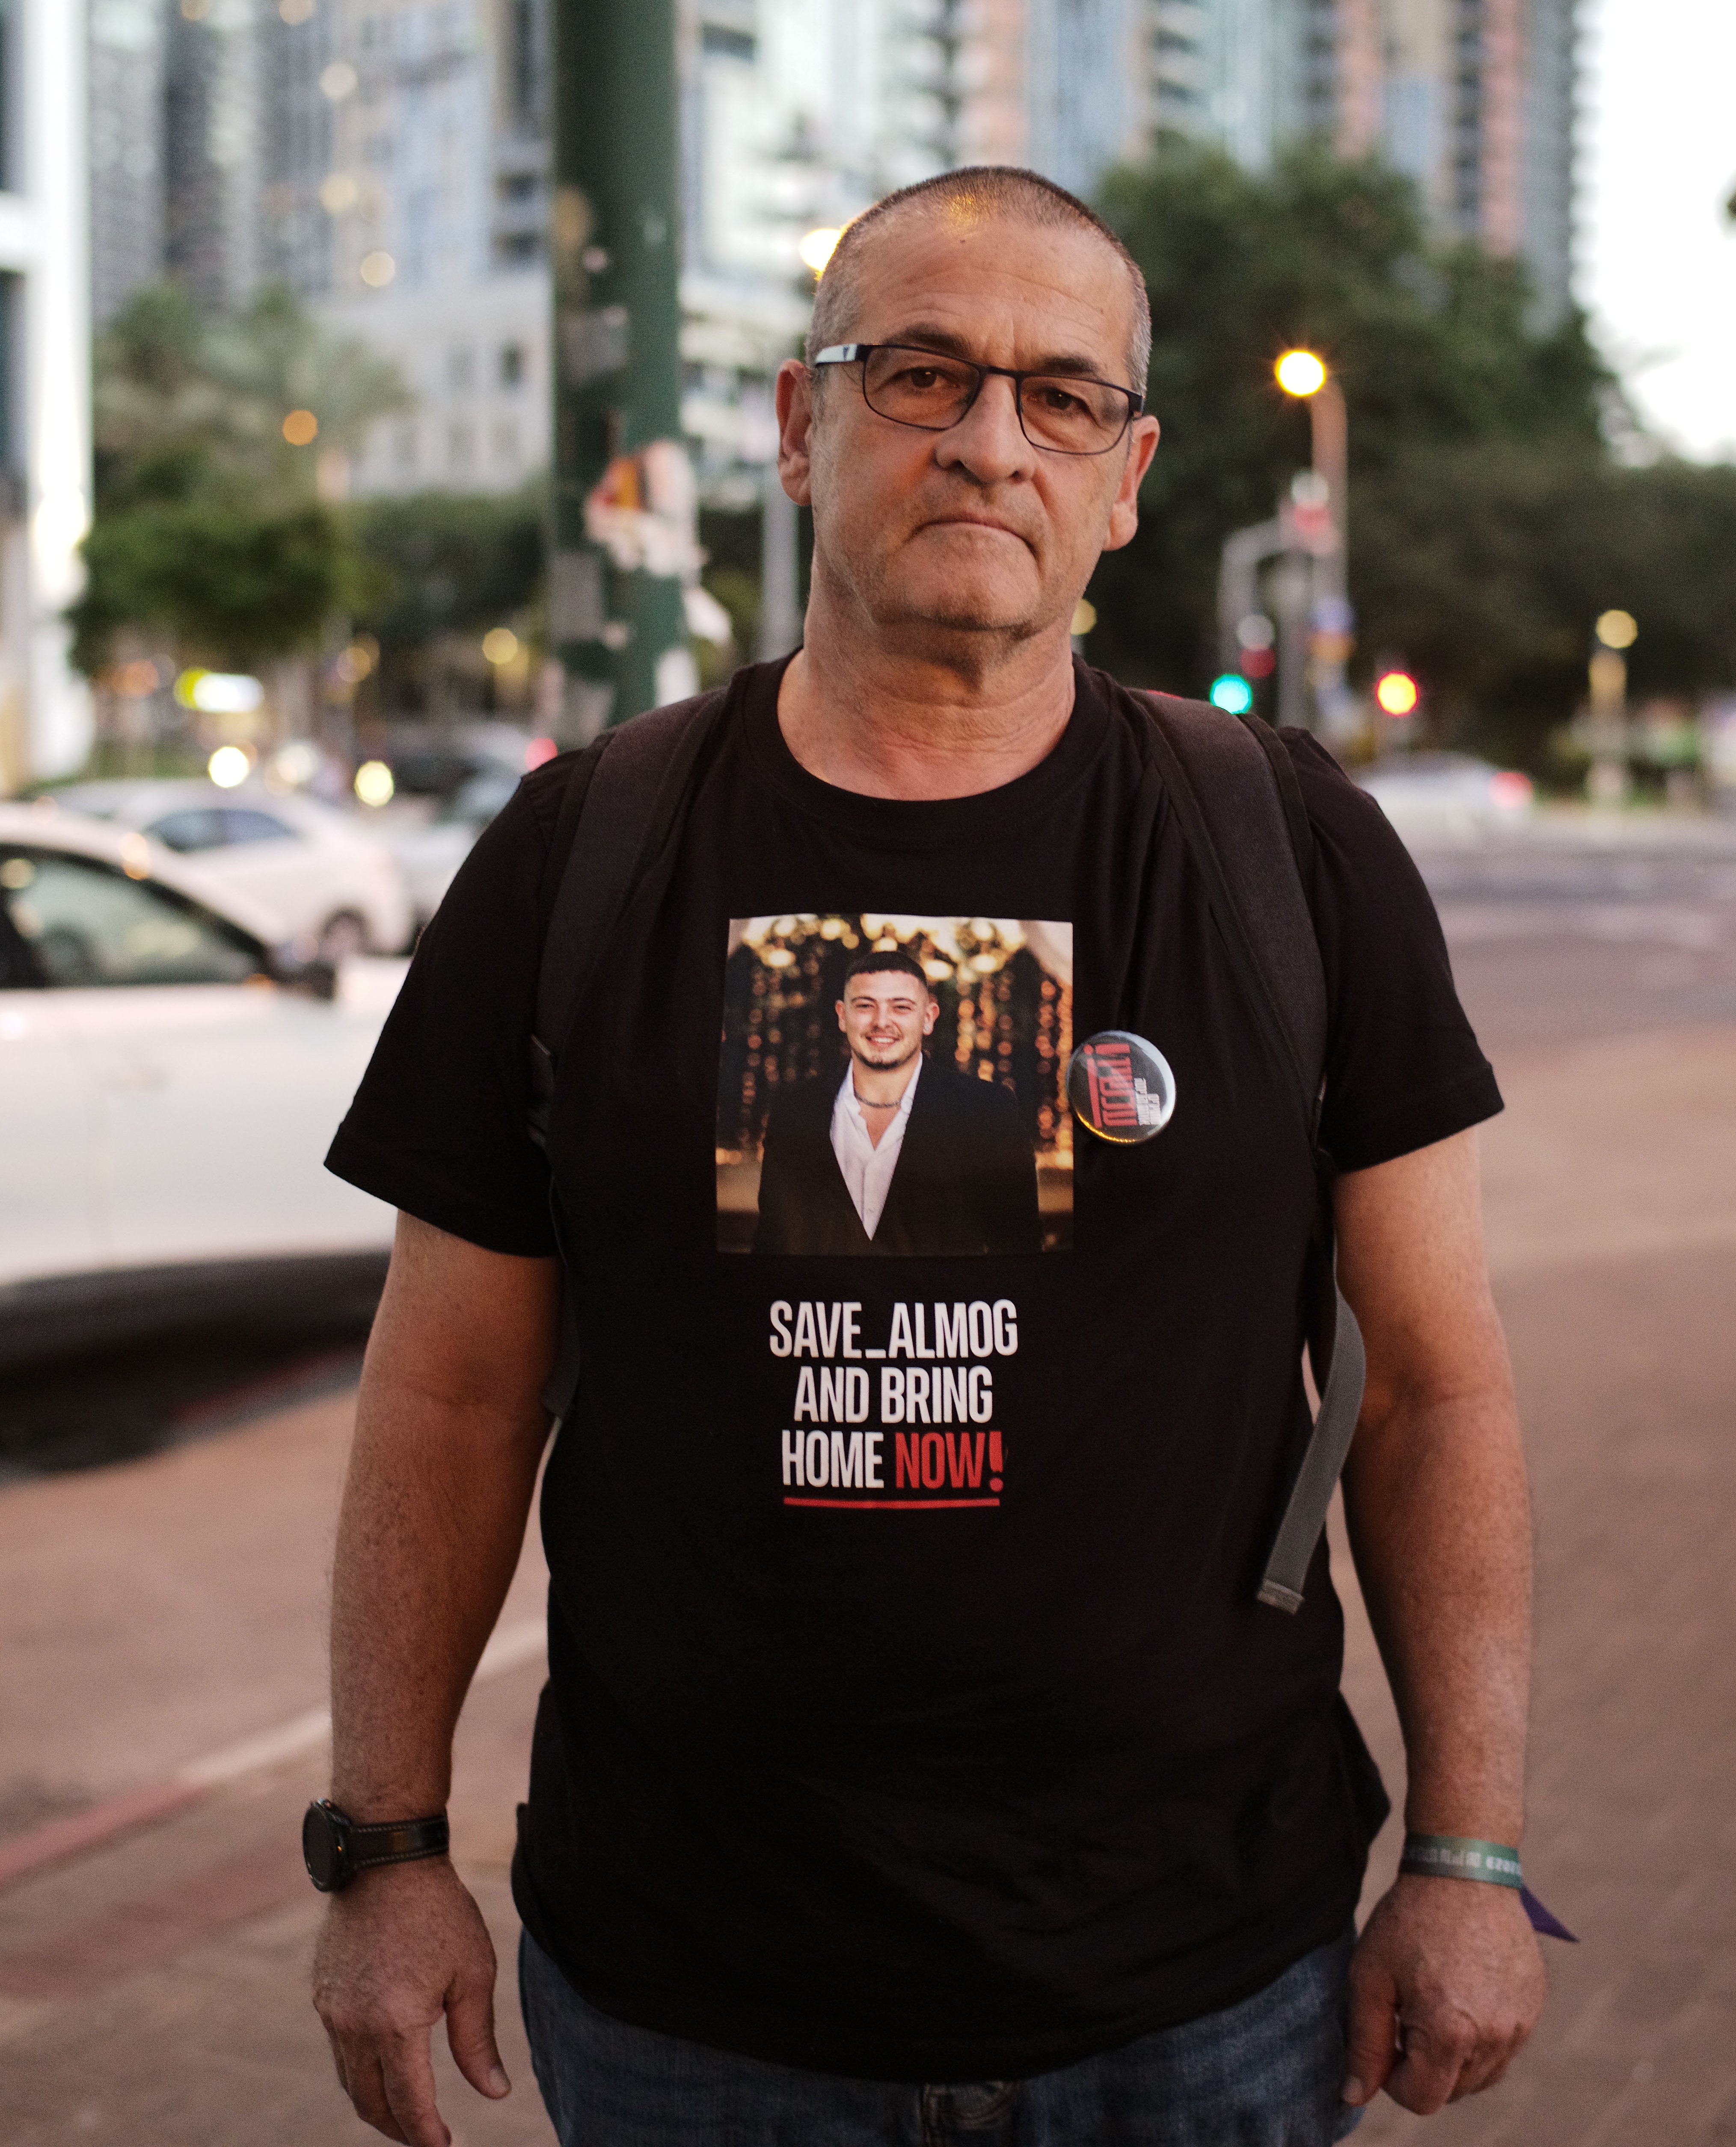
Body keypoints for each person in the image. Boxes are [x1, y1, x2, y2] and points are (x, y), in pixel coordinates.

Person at [313, 162, 1545, 2146]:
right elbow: (451, 1395)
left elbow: (1430, 1391)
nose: (988, 440)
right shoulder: (582, 854)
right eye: (920, 372)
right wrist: (383, 1843)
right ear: (802, 424)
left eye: (1059, 396)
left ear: (1128, 475)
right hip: (691, 1996)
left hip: (1203, 1984)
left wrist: (1467, 1857)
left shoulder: (1287, 853)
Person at [750, 946, 1039, 1257]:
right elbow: (773, 1247)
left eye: (901, 1007)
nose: (881, 1022)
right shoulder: (794, 1110)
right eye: (865, 1006)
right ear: (842, 1016)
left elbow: (1020, 1252)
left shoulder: (988, 1111)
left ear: (928, 1018)